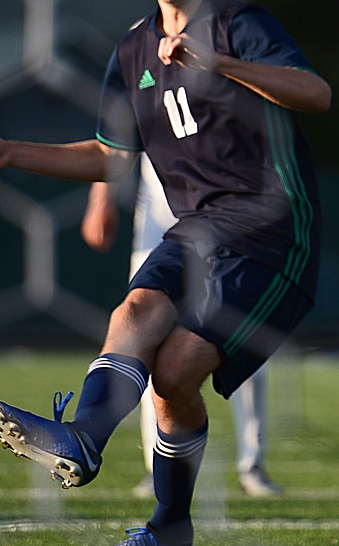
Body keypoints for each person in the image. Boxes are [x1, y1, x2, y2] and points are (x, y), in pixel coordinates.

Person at [0, 0, 330, 546]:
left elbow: (317, 93)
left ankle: (159, 520)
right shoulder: (131, 53)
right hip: (197, 231)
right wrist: (14, 152)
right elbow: (109, 158)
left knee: (179, 368)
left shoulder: (241, 26)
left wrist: (222, 66)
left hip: (273, 235)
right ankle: (100, 455)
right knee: (138, 321)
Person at [81, 155, 282, 499]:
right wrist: (100, 198)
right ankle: (154, 469)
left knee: (245, 342)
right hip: (161, 220)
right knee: (142, 342)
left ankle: (253, 465)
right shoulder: (145, 98)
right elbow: (114, 139)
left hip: (230, 216)